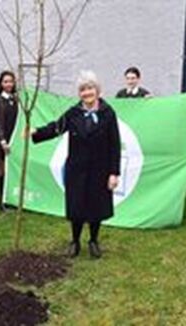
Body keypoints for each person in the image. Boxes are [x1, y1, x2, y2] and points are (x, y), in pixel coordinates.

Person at [31, 71, 121, 259]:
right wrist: (36, 132)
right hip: (76, 169)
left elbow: (115, 144)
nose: (86, 93)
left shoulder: (108, 113)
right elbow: (56, 127)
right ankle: (75, 241)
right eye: (82, 89)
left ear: (97, 90)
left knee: (96, 207)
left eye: (90, 88)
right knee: (76, 206)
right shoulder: (73, 113)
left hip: (100, 170)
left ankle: (94, 241)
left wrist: (114, 173)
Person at [0, 70, 18, 210]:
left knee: (13, 170)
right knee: (3, 170)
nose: (8, 84)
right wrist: (2, 140)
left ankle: (12, 199)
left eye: (11, 81)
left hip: (15, 141)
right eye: (5, 81)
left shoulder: (15, 100)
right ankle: (2, 201)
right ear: (1, 84)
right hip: (2, 142)